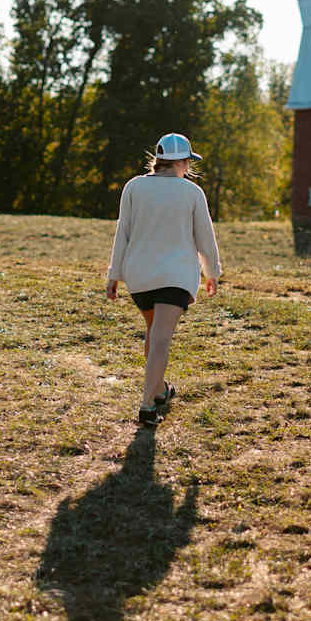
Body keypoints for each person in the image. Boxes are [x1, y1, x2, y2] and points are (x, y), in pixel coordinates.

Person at [106, 132, 221, 427]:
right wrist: (212, 273)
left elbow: (123, 233)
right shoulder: (192, 192)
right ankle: (146, 406)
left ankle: (159, 390)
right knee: (160, 338)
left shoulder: (134, 187)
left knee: (154, 333)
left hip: (139, 276)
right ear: (182, 161)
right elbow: (205, 238)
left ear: (158, 160)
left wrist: (114, 275)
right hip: (175, 276)